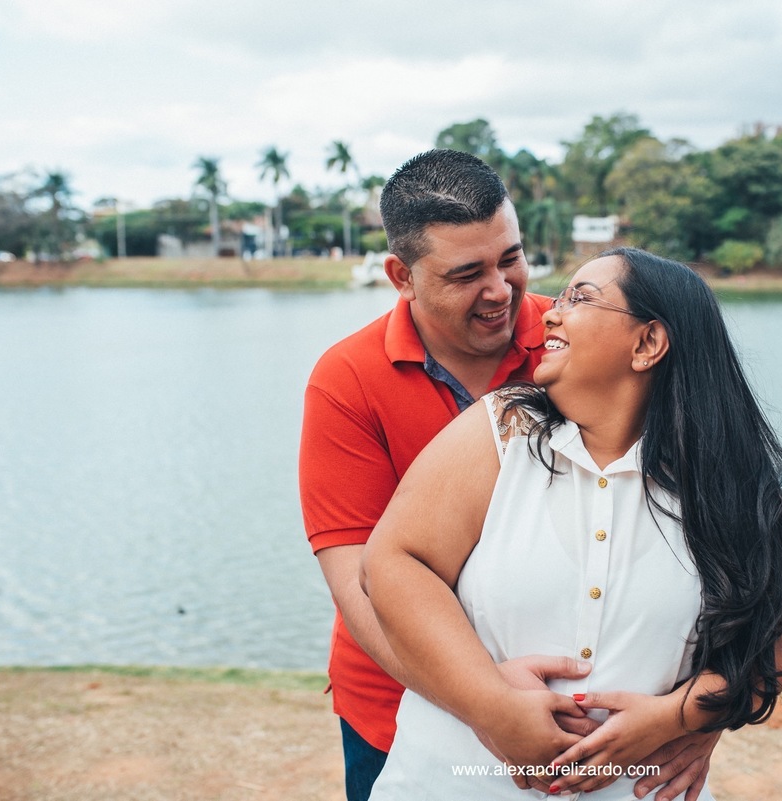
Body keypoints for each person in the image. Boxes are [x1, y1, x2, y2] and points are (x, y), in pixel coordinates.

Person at [300, 151, 719, 801]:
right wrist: (487, 706)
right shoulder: (347, 379)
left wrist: (703, 713)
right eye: (467, 273)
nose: (500, 290)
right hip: (397, 701)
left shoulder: (581, 341)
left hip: (596, 728)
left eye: (510, 259)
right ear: (400, 276)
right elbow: (359, 581)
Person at [361, 248, 782, 799]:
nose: (549, 314)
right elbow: (393, 563)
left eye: (580, 298)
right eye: (559, 297)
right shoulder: (502, 430)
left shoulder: (731, 482)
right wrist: (493, 707)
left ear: (647, 343)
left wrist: (679, 716)